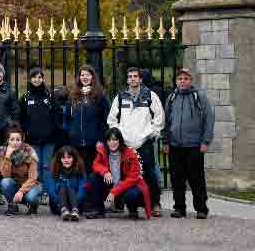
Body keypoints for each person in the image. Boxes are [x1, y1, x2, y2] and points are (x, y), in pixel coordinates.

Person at [107, 66, 165, 217]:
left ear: (140, 79)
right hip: (126, 143)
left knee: (150, 173)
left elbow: (159, 117)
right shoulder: (120, 97)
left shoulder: (150, 96)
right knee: (123, 174)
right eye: (130, 76)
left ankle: (155, 203)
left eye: (135, 76)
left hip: (144, 141)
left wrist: (152, 133)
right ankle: (122, 202)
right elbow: (112, 119)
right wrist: (119, 135)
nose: (132, 79)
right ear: (127, 79)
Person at [163, 68, 215, 219]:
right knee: (176, 179)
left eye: (185, 79)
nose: (182, 81)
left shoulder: (199, 97)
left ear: (190, 80)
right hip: (175, 145)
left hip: (194, 145)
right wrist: (166, 141)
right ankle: (179, 208)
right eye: (180, 79)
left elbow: (208, 120)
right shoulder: (171, 98)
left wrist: (206, 141)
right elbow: (166, 121)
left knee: (196, 178)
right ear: (176, 81)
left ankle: (201, 208)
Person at [86, 128, 152, 219]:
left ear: (120, 140)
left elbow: (133, 178)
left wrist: (114, 191)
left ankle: (133, 210)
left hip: (126, 185)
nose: (112, 142)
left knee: (133, 193)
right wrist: (105, 172)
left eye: (115, 139)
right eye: (109, 140)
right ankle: (98, 210)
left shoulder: (130, 153)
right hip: (110, 184)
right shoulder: (103, 151)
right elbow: (95, 164)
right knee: (94, 177)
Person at [19, 67, 58, 202]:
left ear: (43, 79)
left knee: (47, 166)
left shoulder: (50, 96)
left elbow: (56, 114)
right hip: (32, 139)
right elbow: (21, 118)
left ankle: (47, 193)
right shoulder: (25, 97)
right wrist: (26, 131)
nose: (37, 79)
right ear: (30, 79)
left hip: (49, 138)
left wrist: (52, 129)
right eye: (34, 77)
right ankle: (37, 191)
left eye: (40, 77)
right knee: (35, 166)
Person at [65, 64, 110, 171]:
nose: (85, 77)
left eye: (88, 75)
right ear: (79, 78)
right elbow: (68, 118)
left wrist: (101, 139)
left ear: (93, 77)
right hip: (76, 142)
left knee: (93, 171)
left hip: (94, 143)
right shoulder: (73, 96)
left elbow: (105, 119)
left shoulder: (100, 96)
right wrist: (71, 132)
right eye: (82, 75)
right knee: (79, 171)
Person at [0, 123, 42, 215]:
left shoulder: (29, 152)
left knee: (30, 197)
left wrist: (21, 191)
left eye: (18, 140)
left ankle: (33, 204)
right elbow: (5, 175)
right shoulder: (3, 152)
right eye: (12, 139)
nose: (15, 143)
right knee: (5, 182)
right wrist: (7, 157)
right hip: (16, 184)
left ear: (22, 140)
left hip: (31, 185)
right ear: (8, 141)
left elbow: (33, 177)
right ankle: (13, 206)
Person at [47, 146, 86, 221]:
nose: (66, 160)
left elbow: (82, 190)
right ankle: (64, 210)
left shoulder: (80, 170)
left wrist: (74, 203)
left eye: (69, 157)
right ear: (59, 159)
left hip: (76, 203)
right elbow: (51, 191)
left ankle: (74, 211)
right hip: (58, 203)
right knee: (63, 187)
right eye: (63, 158)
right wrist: (60, 202)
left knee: (70, 188)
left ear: (74, 158)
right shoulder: (53, 170)